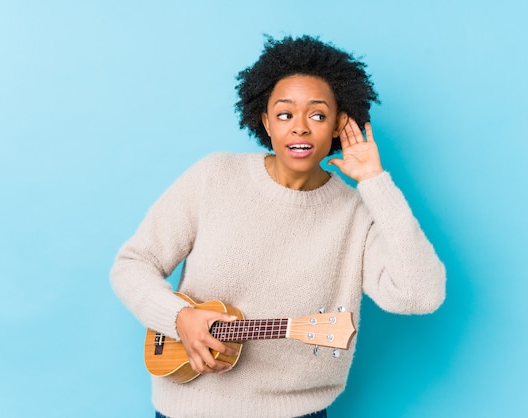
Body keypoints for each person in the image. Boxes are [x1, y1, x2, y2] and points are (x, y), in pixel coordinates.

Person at [110, 35, 446, 418]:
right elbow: (132, 263)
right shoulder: (214, 175)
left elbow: (421, 295)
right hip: (187, 407)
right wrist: (177, 317)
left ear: (339, 123)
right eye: (285, 114)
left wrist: (375, 181)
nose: (300, 127)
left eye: (317, 115)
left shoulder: (357, 213)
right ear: (266, 121)